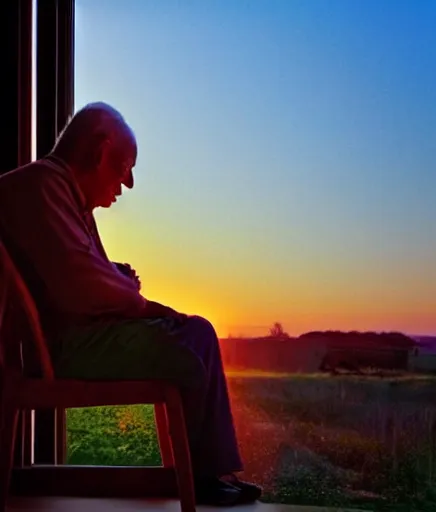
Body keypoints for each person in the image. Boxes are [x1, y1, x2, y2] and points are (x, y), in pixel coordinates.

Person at [0, 102, 261, 506]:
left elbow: (79, 269)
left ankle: (206, 472)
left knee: (194, 332)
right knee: (197, 336)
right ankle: (203, 476)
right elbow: (80, 286)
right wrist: (142, 303)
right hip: (64, 350)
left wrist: (115, 275)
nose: (129, 183)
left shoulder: (58, 194)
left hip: (75, 339)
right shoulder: (40, 186)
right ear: (100, 150)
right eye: (125, 166)